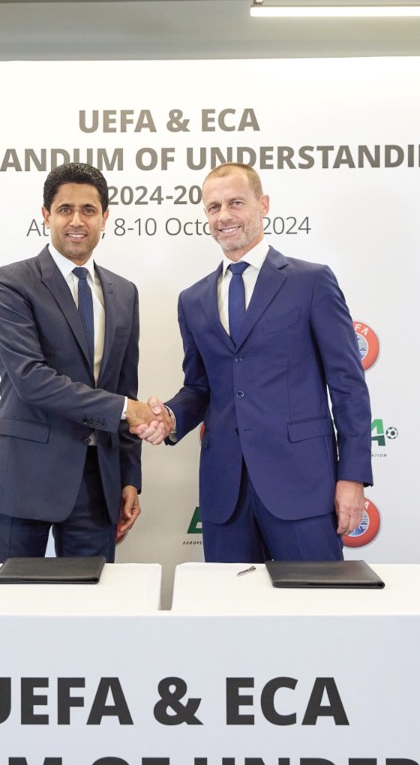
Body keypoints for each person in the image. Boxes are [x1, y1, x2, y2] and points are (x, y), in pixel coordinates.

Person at [138, 163, 373, 563]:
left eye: (235, 203)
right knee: (229, 618)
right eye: (213, 207)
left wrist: (352, 476)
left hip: (302, 485)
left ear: (263, 205)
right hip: (224, 493)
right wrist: (172, 418)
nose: (223, 215)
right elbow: (201, 388)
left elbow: (348, 385)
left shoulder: (311, 282)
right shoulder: (192, 299)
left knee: (314, 611)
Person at [0, 162, 164, 563]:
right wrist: (123, 409)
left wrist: (130, 477)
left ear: (105, 218)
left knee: (92, 613)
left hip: (98, 483)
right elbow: (31, 379)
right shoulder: (10, 283)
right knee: (7, 609)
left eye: (88, 210)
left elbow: (124, 388)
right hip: (25, 476)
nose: (77, 221)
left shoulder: (124, 293)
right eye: (65, 210)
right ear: (46, 216)